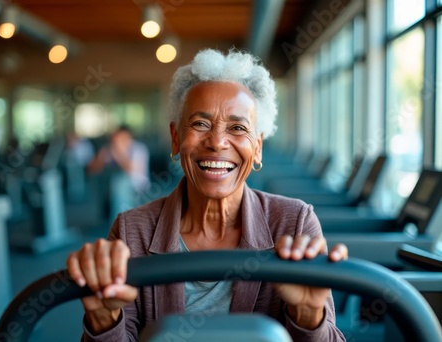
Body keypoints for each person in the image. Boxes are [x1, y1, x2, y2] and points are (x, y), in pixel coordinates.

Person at [67, 48, 348, 341]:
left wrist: (308, 319)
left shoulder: (295, 223)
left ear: (258, 147)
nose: (217, 142)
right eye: (200, 124)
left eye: (238, 127)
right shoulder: (131, 230)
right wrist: (103, 322)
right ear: (176, 139)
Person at [87, 125, 150, 222]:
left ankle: (120, 224)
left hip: (138, 185)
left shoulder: (139, 148)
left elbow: (130, 169)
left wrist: (117, 153)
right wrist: (100, 157)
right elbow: (92, 170)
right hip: (115, 186)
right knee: (110, 181)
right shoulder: (110, 149)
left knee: (120, 182)